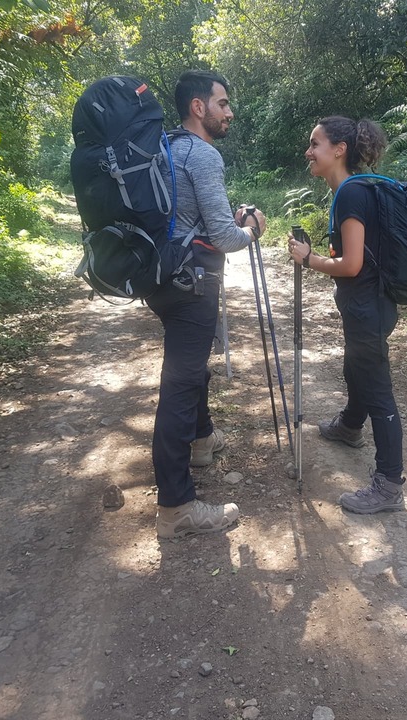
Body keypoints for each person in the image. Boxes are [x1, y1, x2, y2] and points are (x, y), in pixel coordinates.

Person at [148, 70, 266, 539]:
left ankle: (200, 441)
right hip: (191, 283)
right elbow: (223, 236)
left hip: (160, 276)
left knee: (191, 369)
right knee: (179, 386)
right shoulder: (202, 153)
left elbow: (192, 216)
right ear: (199, 107)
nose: (228, 111)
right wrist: (252, 227)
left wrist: (226, 221)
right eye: (222, 103)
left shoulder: (166, 147)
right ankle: (176, 507)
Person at [288, 116, 405, 514]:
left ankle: (389, 484)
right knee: (355, 366)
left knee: (377, 388)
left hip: (368, 306)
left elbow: (352, 264)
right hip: (367, 304)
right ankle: (350, 426)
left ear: (339, 150)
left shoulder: (352, 195)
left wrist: (310, 259)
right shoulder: (351, 191)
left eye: (315, 143)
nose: (309, 151)